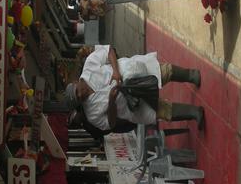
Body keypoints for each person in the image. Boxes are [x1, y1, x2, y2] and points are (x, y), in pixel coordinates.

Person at [64, 45, 204, 133]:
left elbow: (109, 50)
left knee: (163, 72)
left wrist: (115, 71)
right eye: (79, 99)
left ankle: (191, 75)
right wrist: (111, 102)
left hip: (131, 73)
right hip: (132, 105)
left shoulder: (89, 66)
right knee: (161, 111)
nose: (81, 95)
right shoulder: (91, 114)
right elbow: (110, 124)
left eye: (78, 91)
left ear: (76, 83)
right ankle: (194, 112)